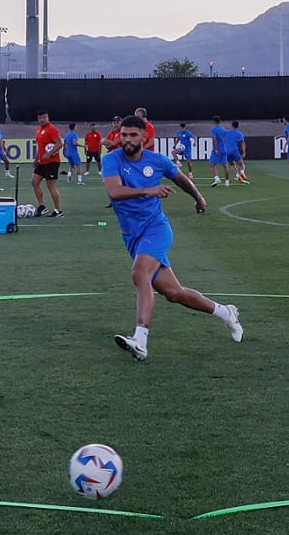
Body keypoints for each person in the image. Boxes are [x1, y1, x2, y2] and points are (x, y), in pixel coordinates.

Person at [101, 116, 244, 360]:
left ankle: (140, 340)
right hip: (132, 237)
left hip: (156, 229)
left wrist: (198, 198)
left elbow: (181, 179)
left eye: (133, 135)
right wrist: (148, 189)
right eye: (123, 135)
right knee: (174, 293)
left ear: (144, 138)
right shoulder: (111, 159)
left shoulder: (158, 161)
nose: (126, 139)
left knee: (139, 273)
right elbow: (114, 192)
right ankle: (225, 313)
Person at [31, 111, 66, 218]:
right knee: (34, 182)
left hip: (52, 162)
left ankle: (58, 210)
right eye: (40, 117)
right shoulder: (39, 130)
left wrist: (49, 154)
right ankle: (42, 206)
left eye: (44, 117)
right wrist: (37, 158)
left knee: (50, 185)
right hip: (42, 162)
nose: (42, 119)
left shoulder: (52, 129)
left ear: (48, 117)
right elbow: (41, 146)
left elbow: (59, 143)